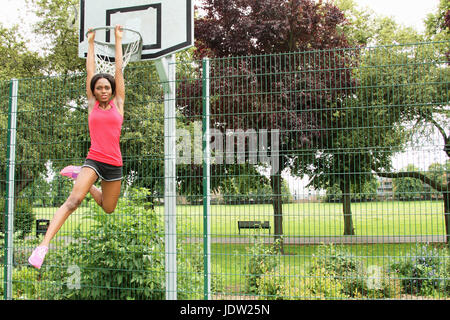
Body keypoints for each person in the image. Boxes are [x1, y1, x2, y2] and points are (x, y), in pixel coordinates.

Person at [28, 25, 126, 270]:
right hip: (94, 159)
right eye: (99, 87)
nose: (103, 90)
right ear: (93, 90)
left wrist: (117, 39)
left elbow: (118, 69)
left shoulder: (119, 104)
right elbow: (90, 71)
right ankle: (43, 246)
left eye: (107, 87)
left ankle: (83, 179)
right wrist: (91, 44)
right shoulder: (92, 104)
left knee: (108, 208)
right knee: (73, 201)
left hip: (114, 163)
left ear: (112, 90)